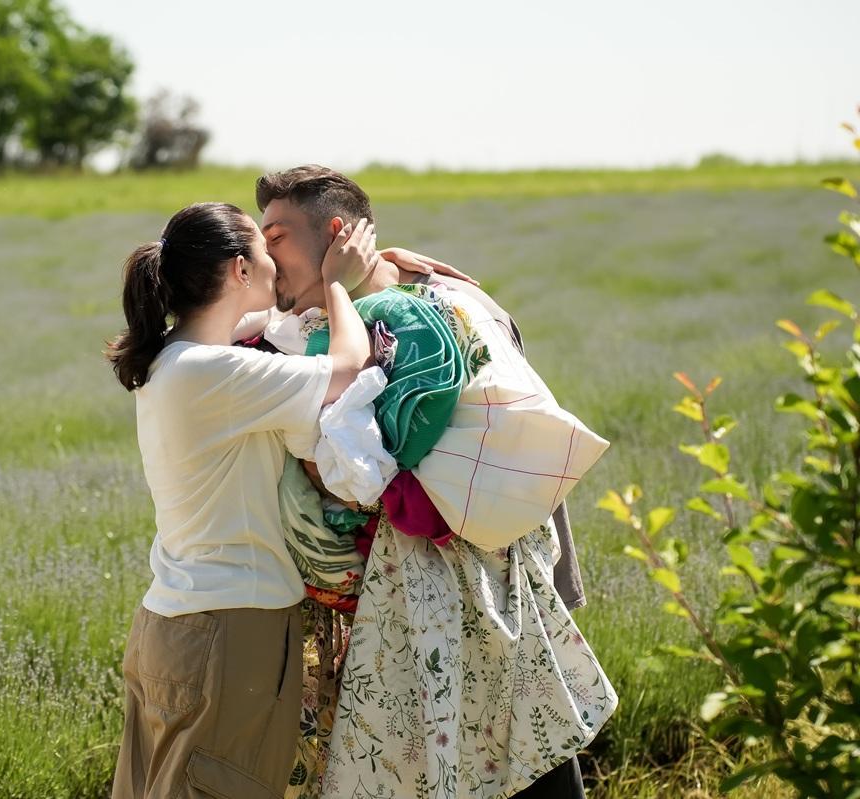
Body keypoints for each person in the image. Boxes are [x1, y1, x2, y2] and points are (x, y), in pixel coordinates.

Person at [254, 166, 616, 799]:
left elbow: (491, 449)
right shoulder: (309, 328)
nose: (264, 256)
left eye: (276, 237)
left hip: (483, 593)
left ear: (337, 236)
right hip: (403, 617)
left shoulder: (439, 309)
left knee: (519, 757)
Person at [105, 201, 380, 799]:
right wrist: (338, 283)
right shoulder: (214, 372)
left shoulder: (174, 360)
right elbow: (349, 368)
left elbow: (266, 323)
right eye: (264, 246)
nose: (275, 260)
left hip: (173, 625)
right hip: (231, 629)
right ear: (239, 269)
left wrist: (384, 269)